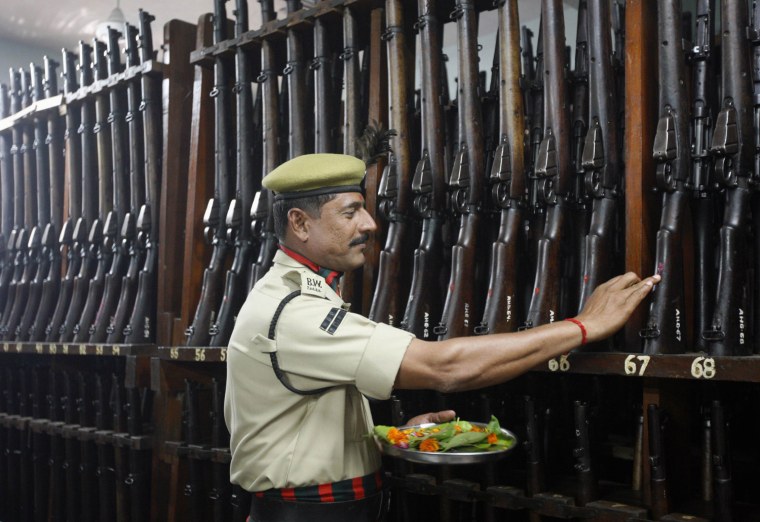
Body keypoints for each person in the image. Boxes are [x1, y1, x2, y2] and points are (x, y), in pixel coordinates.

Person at [224, 153, 660, 522]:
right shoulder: (294, 311)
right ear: (300, 222)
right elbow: (445, 367)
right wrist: (584, 326)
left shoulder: (300, 296)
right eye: (350, 211)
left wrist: (389, 437)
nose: (370, 223)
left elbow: (298, 428)